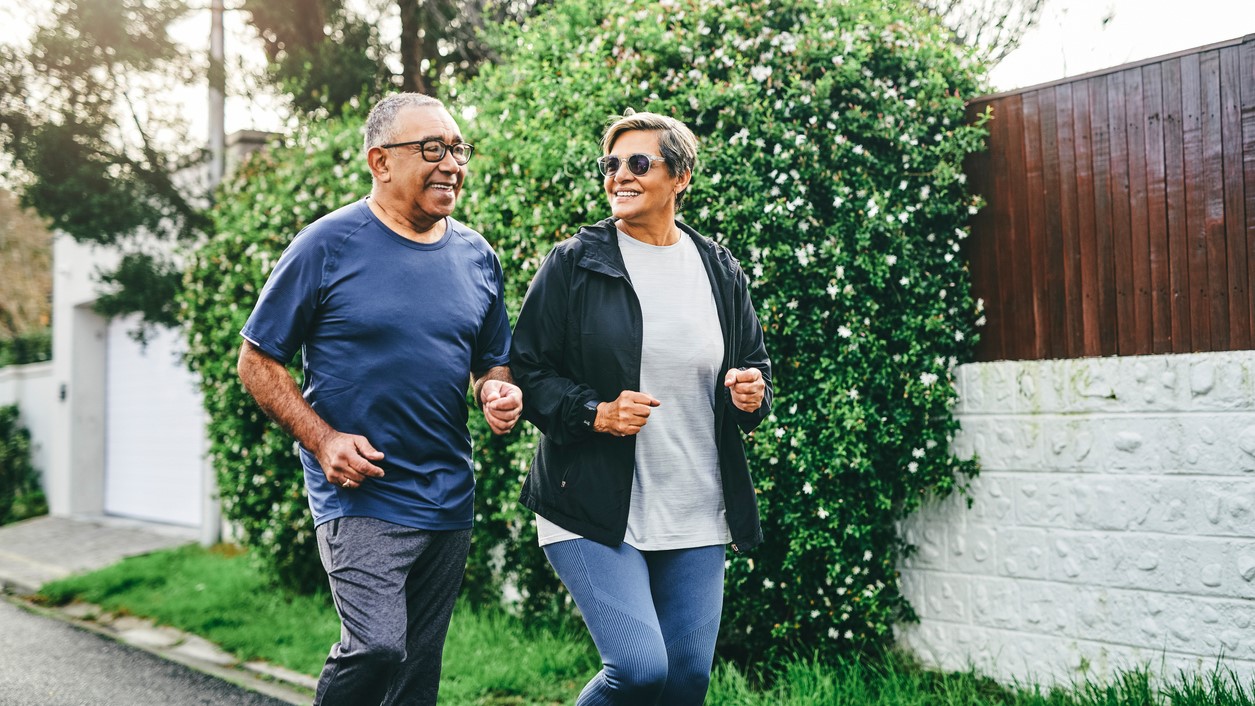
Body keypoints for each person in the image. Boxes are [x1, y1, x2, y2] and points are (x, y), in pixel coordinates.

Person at [237, 92, 522, 706]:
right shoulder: (327, 244)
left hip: (448, 491)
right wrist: (324, 439)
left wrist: (496, 390)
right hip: (359, 489)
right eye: (432, 149)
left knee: (416, 675)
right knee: (376, 646)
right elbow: (257, 361)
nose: (451, 163)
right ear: (380, 161)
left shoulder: (477, 256)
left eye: (457, 149)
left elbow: (490, 361)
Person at [510, 111, 772, 704]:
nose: (619, 176)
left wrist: (752, 394)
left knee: (685, 682)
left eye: (637, 163)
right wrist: (594, 412)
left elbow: (755, 366)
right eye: (610, 164)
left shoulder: (719, 268)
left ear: (679, 176)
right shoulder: (575, 263)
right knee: (639, 669)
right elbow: (527, 370)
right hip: (593, 506)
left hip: (695, 507)